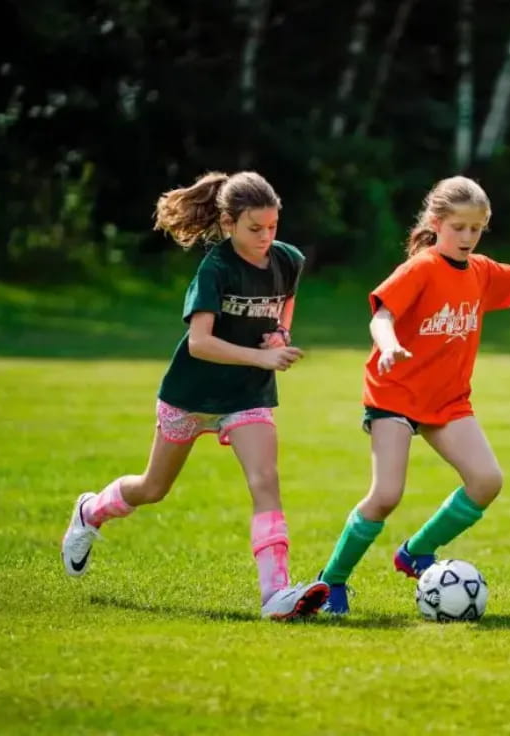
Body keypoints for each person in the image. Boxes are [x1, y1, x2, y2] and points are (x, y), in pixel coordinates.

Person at [59, 171, 330, 620]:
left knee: (266, 481)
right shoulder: (217, 268)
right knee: (152, 488)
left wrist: (280, 334)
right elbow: (200, 343)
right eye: (254, 229)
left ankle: (276, 595)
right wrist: (260, 358)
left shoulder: (287, 259)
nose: (266, 237)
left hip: (246, 395)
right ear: (228, 223)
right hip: (192, 393)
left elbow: (285, 302)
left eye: (272, 227)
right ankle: (90, 511)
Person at [316, 175, 510, 615]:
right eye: (459, 228)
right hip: (394, 394)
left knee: (487, 481)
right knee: (386, 496)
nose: (468, 237)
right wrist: (389, 343)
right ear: (437, 223)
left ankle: (417, 551)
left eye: (476, 229)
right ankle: (331, 582)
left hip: (447, 401)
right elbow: (382, 315)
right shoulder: (421, 268)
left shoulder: (481, 271)